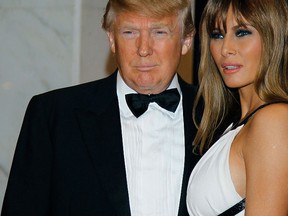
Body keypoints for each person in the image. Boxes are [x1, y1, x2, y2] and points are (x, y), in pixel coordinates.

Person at [1, 0, 201, 215]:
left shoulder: (221, 116)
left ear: (186, 40)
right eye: (129, 32)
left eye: (159, 32)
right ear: (111, 39)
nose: (144, 49)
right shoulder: (54, 116)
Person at [186, 0, 288, 215]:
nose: (225, 49)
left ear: (274, 37)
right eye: (217, 35)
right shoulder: (236, 126)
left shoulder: (273, 122)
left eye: (242, 33)